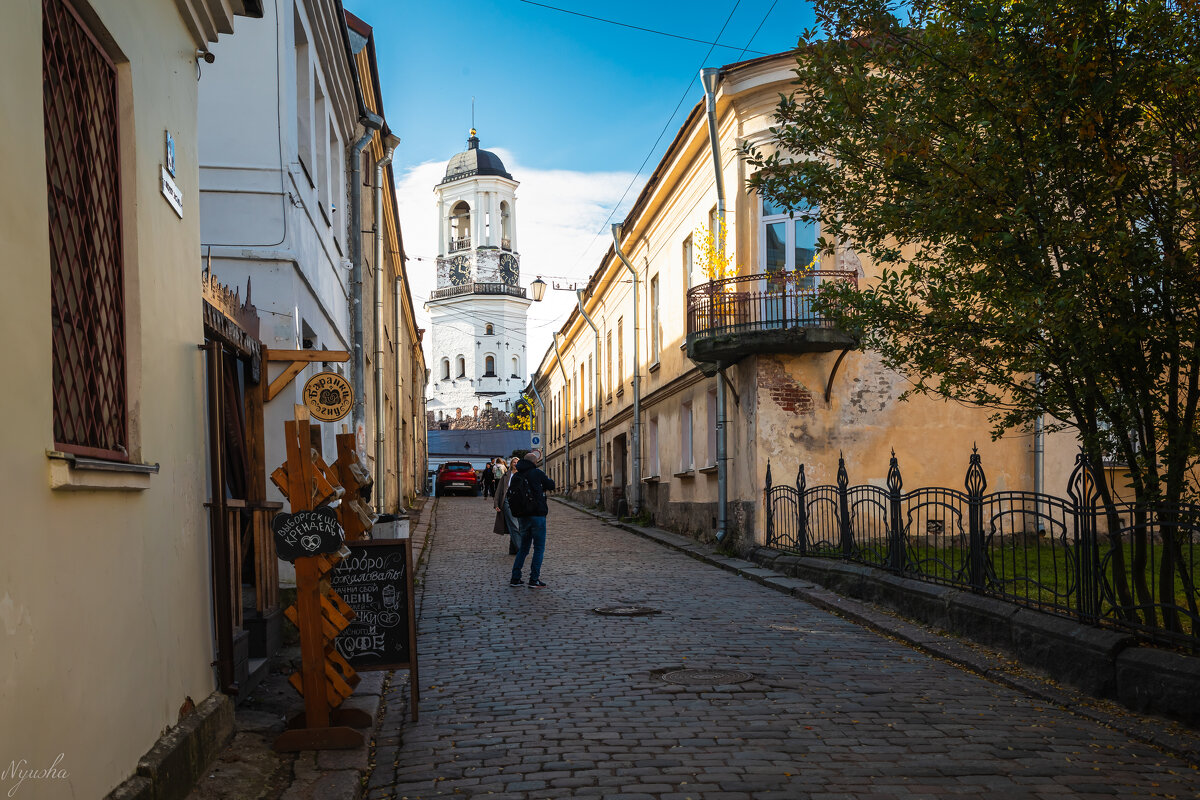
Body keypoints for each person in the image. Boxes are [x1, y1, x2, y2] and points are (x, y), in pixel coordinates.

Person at [508, 450, 556, 588]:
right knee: (539, 548)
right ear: (534, 463)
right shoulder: (537, 473)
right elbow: (551, 485)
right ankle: (534, 579)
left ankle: (515, 578)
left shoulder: (517, 476)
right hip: (537, 515)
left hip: (522, 515)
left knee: (523, 548)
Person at [494, 456, 521, 555]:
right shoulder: (506, 475)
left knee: (516, 525)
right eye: (514, 462)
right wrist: (496, 503)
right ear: (511, 464)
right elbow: (499, 490)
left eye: (517, 462)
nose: (515, 464)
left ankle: (512, 549)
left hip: (519, 502)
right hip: (507, 501)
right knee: (514, 525)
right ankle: (520, 549)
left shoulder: (522, 475)